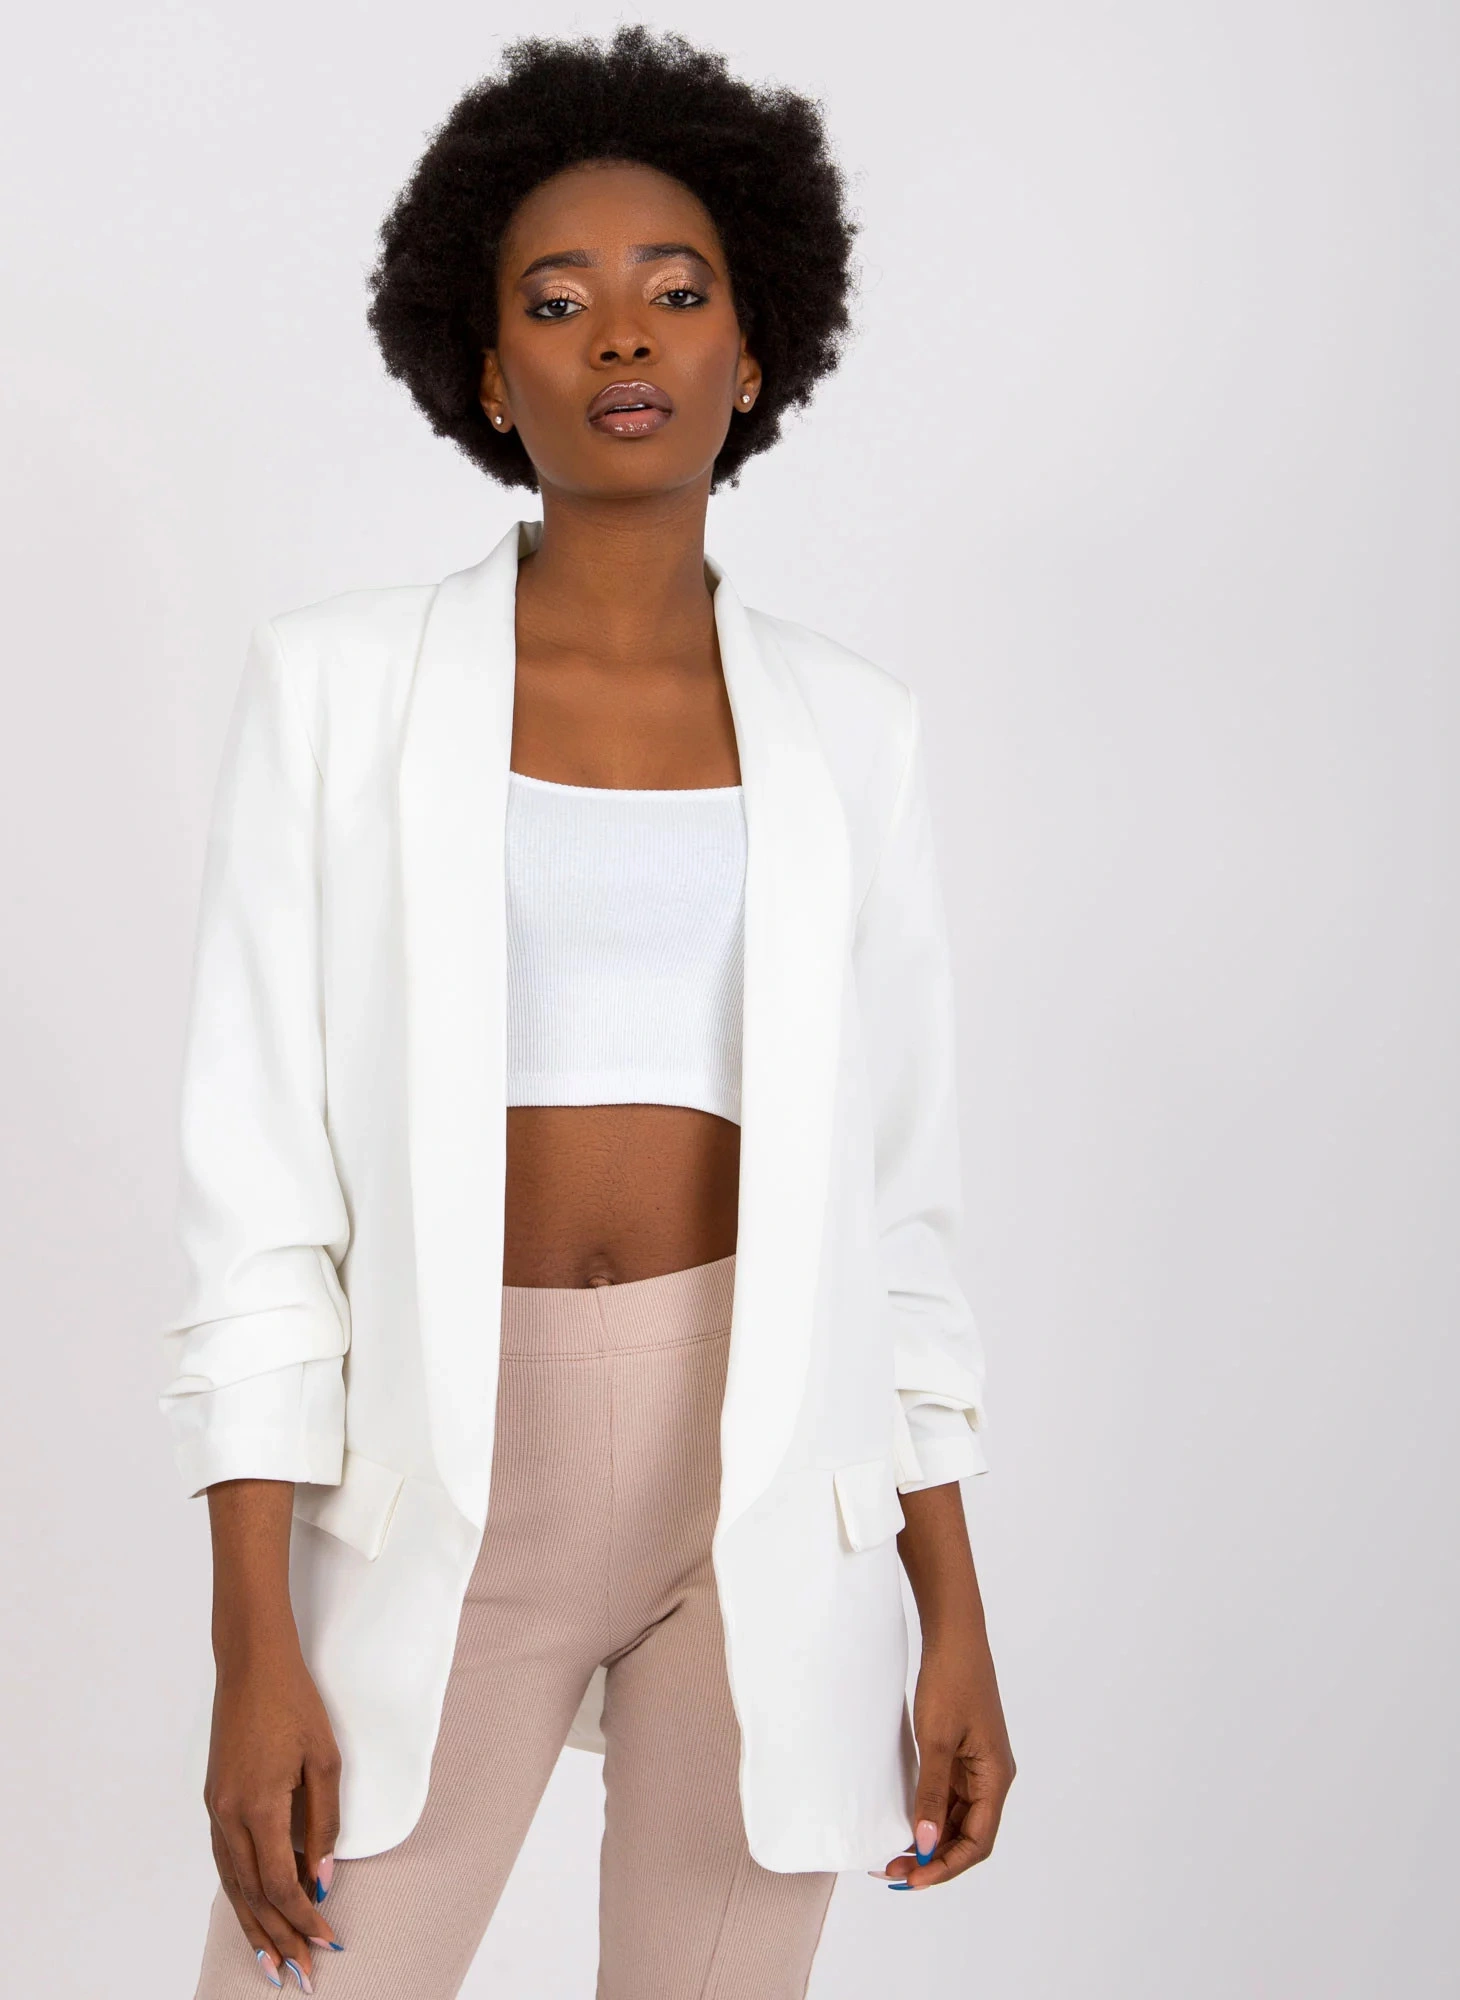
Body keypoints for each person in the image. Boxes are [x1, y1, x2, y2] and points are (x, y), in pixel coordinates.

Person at [159, 26, 1016, 1998]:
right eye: (556, 302)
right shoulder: (336, 693)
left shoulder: (855, 732)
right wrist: (249, 1638)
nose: (621, 336)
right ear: (485, 370)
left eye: (674, 293)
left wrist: (952, 1604)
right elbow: (258, 1197)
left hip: (766, 1491)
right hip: (447, 1475)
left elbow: (896, 1222)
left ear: (753, 349)